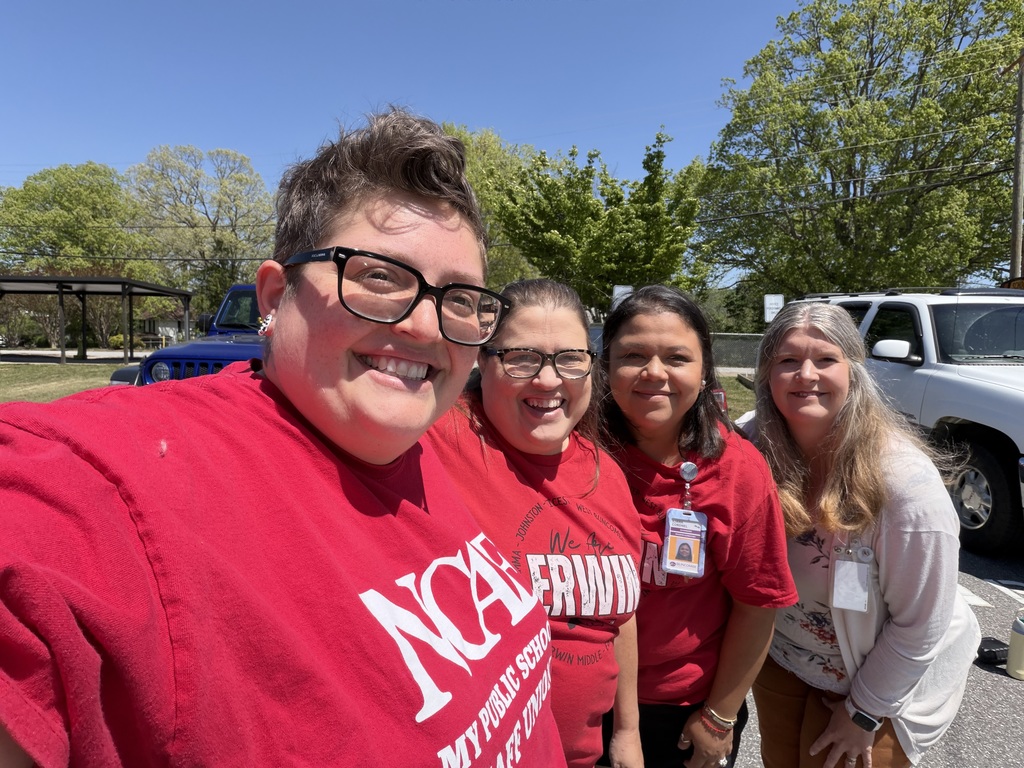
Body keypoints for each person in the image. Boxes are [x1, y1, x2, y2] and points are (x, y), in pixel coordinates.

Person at [0, 109, 567, 767]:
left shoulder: (412, 447)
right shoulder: (115, 486)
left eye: (461, 299)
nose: (427, 326)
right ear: (274, 296)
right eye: (379, 276)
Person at [746, 301, 980, 768]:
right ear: (766, 375)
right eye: (787, 361)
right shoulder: (751, 446)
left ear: (855, 371)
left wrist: (864, 714)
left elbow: (921, 626)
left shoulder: (905, 485)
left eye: (825, 360)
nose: (805, 374)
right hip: (782, 659)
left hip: (878, 682)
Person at [424, 278, 644, 768]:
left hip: (585, 756)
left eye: (569, 358)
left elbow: (619, 616)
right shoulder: (437, 439)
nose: (548, 380)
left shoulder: (604, 471)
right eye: (521, 357)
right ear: (482, 360)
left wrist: (627, 732)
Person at [598, 285, 798, 768]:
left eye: (676, 357)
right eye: (633, 355)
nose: (654, 373)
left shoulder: (737, 470)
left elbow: (758, 604)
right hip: (578, 695)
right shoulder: (575, 450)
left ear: (704, 370)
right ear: (606, 366)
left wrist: (719, 716)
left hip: (682, 708)